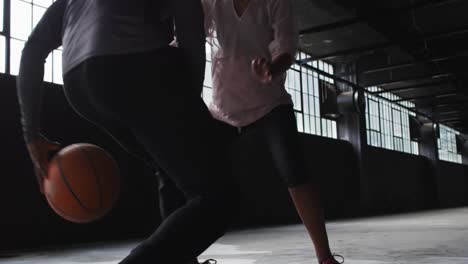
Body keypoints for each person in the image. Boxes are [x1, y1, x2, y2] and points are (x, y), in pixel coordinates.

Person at [16, 0, 239, 263]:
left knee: (169, 169)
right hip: (133, 64)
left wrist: (30, 133)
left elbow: (33, 48)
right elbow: (190, 29)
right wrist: (190, 112)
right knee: (218, 197)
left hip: (79, 84)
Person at [158, 0, 345, 263]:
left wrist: (272, 69)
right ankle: (185, 257)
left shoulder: (276, 2)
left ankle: (325, 257)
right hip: (223, 109)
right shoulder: (214, 3)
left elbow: (287, 45)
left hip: (270, 104)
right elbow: (191, 32)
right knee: (183, 173)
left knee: (295, 171)